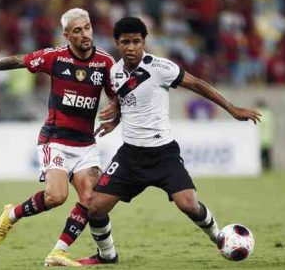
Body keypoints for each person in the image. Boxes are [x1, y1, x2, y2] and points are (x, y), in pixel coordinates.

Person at [77, 17, 261, 265]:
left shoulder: (161, 68)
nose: (131, 47)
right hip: (130, 157)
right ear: (117, 44)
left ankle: (219, 237)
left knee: (188, 205)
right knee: (96, 208)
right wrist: (115, 120)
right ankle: (107, 256)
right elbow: (127, 102)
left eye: (136, 42)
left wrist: (233, 109)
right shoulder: (113, 73)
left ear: (144, 42)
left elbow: (196, 84)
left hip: (163, 154)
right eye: (125, 42)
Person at [0, 8, 119, 267]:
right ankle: (12, 214)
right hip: (55, 139)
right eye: (77, 30)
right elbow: (18, 60)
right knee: (56, 196)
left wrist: (115, 116)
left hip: (86, 144)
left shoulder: (105, 62)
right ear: (67, 35)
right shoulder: (54, 57)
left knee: (90, 199)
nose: (85, 34)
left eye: (87, 27)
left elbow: (115, 97)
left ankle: (59, 251)